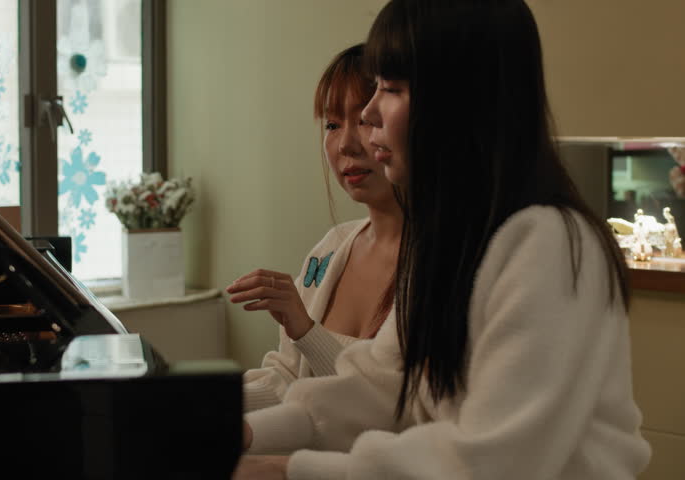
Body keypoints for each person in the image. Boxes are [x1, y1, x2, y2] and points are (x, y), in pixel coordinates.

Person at [234, 1, 651, 478]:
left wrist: (287, 470)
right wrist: (246, 434)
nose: (369, 117)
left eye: (389, 89)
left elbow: (495, 459)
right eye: (334, 122)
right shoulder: (445, 243)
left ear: (457, 102)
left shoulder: (548, 243)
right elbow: (383, 386)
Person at [227, 44, 403, 412]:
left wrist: (307, 332)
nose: (346, 144)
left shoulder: (445, 265)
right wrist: (195, 402)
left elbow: (388, 408)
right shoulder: (331, 249)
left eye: (367, 120)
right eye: (333, 124)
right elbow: (287, 380)